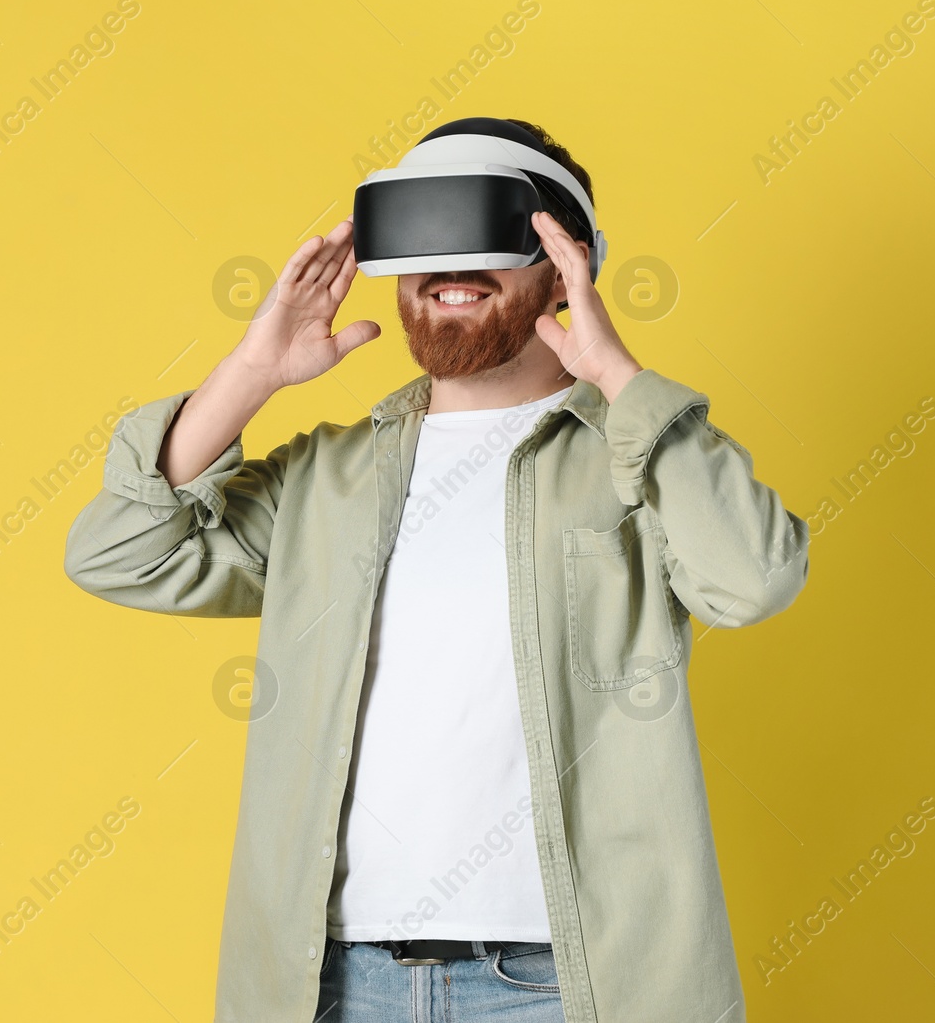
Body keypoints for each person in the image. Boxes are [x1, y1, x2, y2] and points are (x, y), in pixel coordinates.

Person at [64, 118, 811, 1023]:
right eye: (419, 235)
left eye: (485, 230)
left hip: (571, 988)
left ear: (566, 260)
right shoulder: (323, 482)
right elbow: (118, 550)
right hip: (336, 986)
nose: (449, 263)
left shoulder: (635, 461)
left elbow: (755, 576)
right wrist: (253, 371)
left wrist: (619, 376)